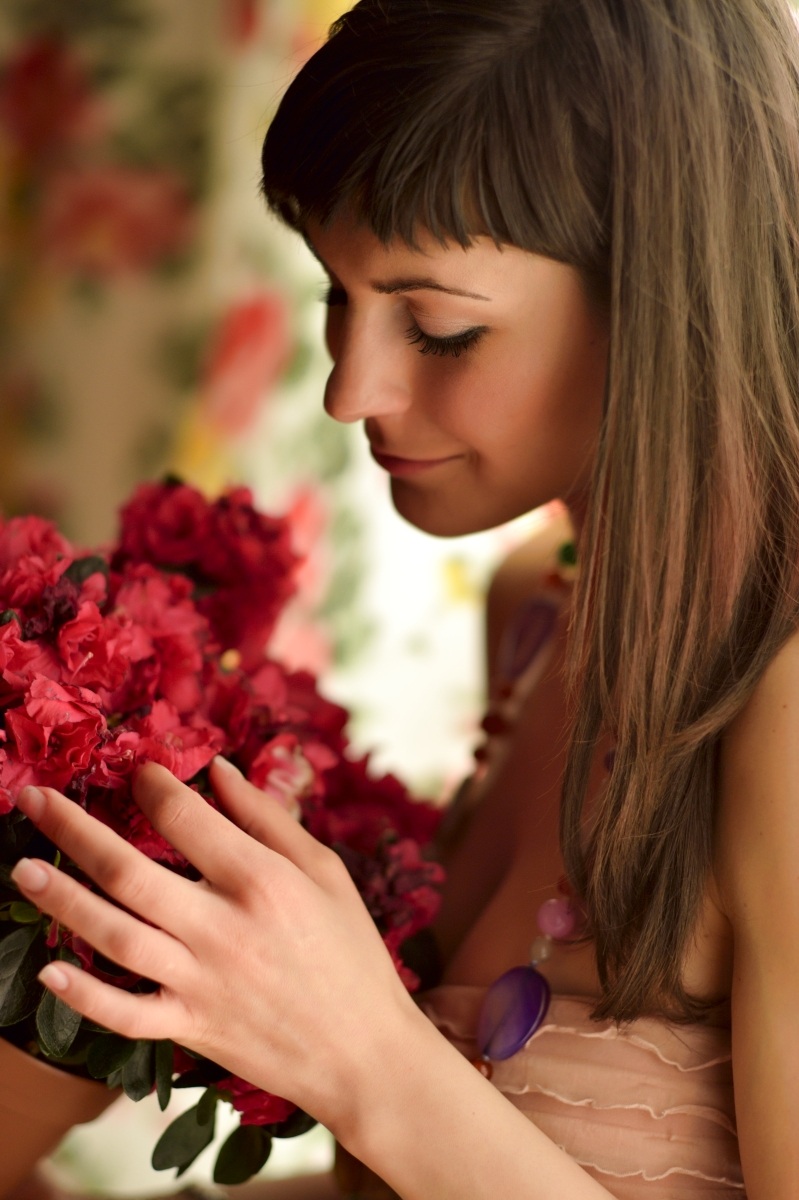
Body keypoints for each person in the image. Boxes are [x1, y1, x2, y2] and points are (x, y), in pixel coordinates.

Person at [8, 0, 799, 1196]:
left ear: (662, 298)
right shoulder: (539, 609)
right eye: (337, 296)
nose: (348, 389)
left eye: (436, 329)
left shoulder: (778, 698)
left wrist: (360, 1054)